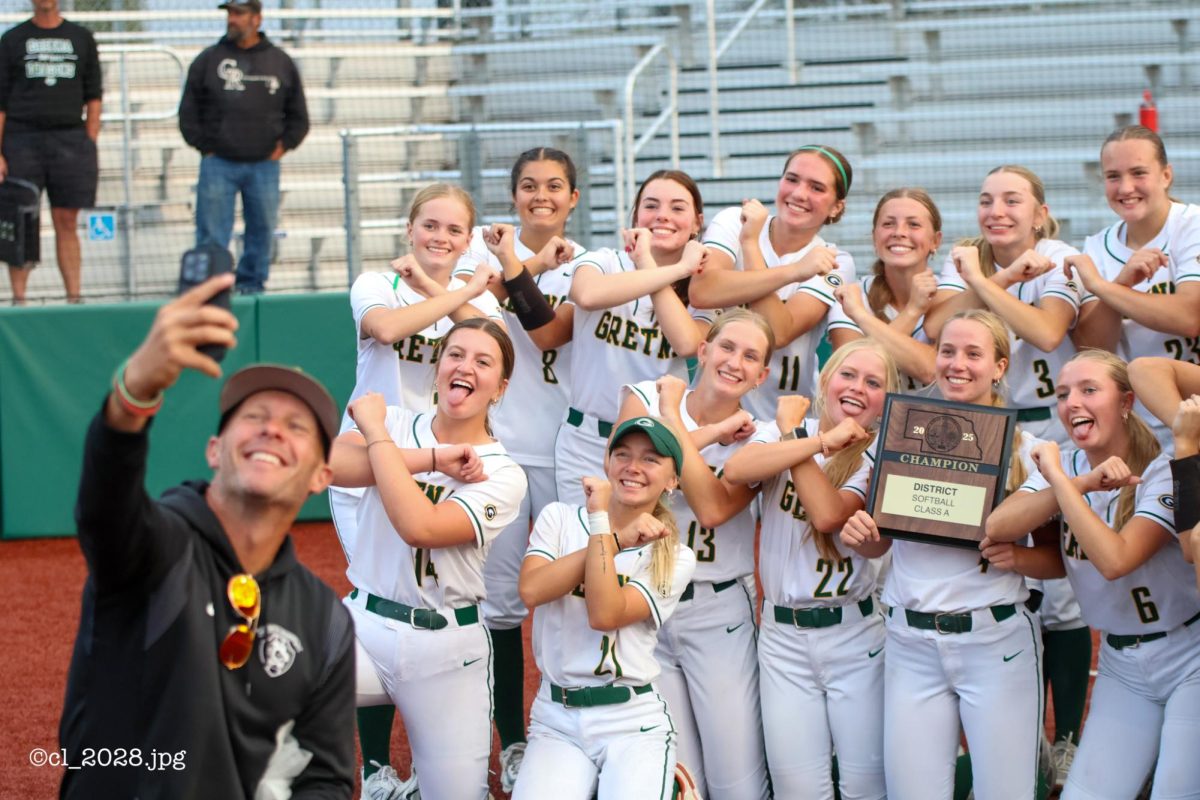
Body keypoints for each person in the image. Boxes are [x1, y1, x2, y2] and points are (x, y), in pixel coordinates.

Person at [61, 272, 355, 799]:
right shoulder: (155, 548)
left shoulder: (325, 619)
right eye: (256, 416)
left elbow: (326, 778)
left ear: (320, 477)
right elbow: (104, 507)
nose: (272, 430)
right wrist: (136, 391)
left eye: (297, 427)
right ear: (215, 450)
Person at [327, 182, 502, 798]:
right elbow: (388, 326)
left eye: (455, 230)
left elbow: (487, 340)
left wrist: (450, 290)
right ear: (409, 229)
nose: (441, 238)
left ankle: (442, 743)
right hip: (376, 455)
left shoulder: (472, 300)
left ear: (469, 237)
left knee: (431, 586)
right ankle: (375, 765)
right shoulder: (376, 284)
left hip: (453, 460)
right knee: (377, 590)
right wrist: (461, 291)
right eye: (430, 225)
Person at [839, 310, 1047, 800]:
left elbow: (1053, 561)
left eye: (973, 354)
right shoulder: (897, 432)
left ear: (999, 367)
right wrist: (860, 531)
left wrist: (1015, 557)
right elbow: (879, 541)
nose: (957, 363)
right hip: (911, 642)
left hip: (994, 640)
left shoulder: (1031, 449)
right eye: (947, 351)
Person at [986, 349, 1200, 797]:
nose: (1071, 403)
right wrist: (1077, 483)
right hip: (1123, 667)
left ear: (1126, 403)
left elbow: (1115, 559)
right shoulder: (1070, 466)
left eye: (1089, 390)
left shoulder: (1160, 470)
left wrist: (1062, 484)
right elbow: (999, 525)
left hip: (1189, 656)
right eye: (1063, 394)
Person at [331, 317, 528, 800]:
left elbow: (422, 529)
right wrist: (431, 458)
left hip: (446, 648)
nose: (465, 368)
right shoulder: (397, 425)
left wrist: (377, 441)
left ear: (500, 388)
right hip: (366, 627)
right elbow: (328, 464)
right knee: (267, 684)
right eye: (455, 355)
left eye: (483, 362)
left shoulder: (505, 472)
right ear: (437, 368)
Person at [458, 147, 584, 793]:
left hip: (567, 451)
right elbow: (477, 318)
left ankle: (574, 731)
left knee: (572, 592)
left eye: (554, 186)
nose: (542, 195)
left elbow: (555, 334)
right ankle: (510, 741)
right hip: (501, 450)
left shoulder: (590, 265)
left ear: (573, 198)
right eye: (529, 185)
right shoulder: (478, 263)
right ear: (514, 196)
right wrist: (527, 261)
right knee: (501, 607)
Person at [725, 339, 899, 800]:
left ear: (886, 401)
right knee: (798, 789)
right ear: (825, 380)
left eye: (874, 382)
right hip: (783, 640)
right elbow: (736, 469)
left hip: (854, 636)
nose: (858, 388)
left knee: (865, 785)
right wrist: (809, 439)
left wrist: (796, 440)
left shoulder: (877, 457)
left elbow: (827, 513)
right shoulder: (782, 430)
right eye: (848, 375)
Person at [615, 310, 775, 799]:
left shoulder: (761, 435)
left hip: (718, 608)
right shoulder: (642, 395)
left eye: (751, 356)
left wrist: (669, 423)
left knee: (737, 777)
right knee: (676, 773)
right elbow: (629, 483)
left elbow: (711, 509)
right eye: (726, 347)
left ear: (763, 375)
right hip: (647, 606)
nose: (735, 361)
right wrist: (694, 433)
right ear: (702, 351)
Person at [514, 416, 697, 800]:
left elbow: (605, 615)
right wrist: (613, 539)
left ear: (673, 480)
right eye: (623, 454)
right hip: (557, 717)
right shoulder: (560, 518)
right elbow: (531, 590)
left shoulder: (675, 555)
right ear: (607, 462)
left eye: (651, 459)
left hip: (632, 722)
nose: (633, 467)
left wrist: (601, 527)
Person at [554, 170, 712, 506]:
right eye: (651, 205)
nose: (662, 216)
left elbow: (688, 344)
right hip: (584, 441)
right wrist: (670, 268)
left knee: (641, 553)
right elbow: (587, 295)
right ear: (635, 216)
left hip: (654, 447)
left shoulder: (704, 290)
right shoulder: (604, 261)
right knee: (582, 546)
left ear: (697, 222)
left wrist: (663, 270)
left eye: (677, 207)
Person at [689, 145, 856, 420]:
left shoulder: (836, 260)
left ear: (836, 206)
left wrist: (750, 245)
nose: (799, 193)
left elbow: (778, 333)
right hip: (706, 414)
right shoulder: (734, 221)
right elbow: (702, 290)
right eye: (792, 179)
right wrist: (794, 271)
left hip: (778, 424)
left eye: (816, 188)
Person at [923, 165, 1082, 444]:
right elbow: (937, 327)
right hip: (983, 420)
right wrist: (1006, 277)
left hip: (1055, 425)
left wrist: (981, 281)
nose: (995, 211)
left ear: (1039, 215)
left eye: (1011, 201)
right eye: (986, 201)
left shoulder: (1059, 256)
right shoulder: (967, 253)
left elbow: (1048, 334)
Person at [1068, 126, 1200, 450]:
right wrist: (1122, 282)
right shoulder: (1098, 246)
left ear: (1166, 175)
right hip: (1145, 428)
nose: (1126, 187)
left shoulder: (1191, 224)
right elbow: (1092, 347)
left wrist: (1103, 287)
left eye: (1138, 173)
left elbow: (1190, 315)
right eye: (1113, 176)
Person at [179, 0, 308, 294]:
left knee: (261, 232)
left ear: (257, 19)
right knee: (211, 234)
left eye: (239, 14)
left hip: (264, 165)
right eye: (230, 14)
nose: (232, 19)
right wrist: (205, 147)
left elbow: (299, 117)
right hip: (218, 164)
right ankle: (210, 291)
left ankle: (252, 289)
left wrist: (281, 147)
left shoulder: (280, 62)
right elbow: (188, 112)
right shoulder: (208, 60)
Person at [0, 0, 101, 304]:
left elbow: (94, 96)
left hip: (70, 140)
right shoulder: (11, 40)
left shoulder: (81, 38)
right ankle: (19, 300)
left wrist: (89, 141)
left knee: (67, 220)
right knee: (22, 221)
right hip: (21, 140)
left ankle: (74, 297)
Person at [826, 187, 942, 392]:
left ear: (935, 241)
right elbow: (855, 375)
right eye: (888, 224)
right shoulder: (853, 296)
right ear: (874, 238)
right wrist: (913, 311)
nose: (899, 233)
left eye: (913, 224)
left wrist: (861, 317)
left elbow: (933, 370)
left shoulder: (951, 295)